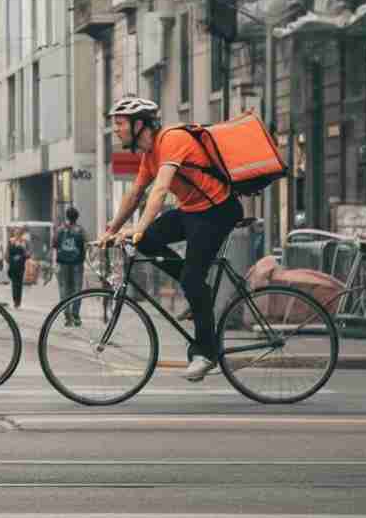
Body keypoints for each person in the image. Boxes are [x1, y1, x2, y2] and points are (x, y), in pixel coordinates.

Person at [96, 96, 244, 382]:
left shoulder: (171, 140)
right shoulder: (149, 155)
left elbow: (160, 190)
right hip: (192, 211)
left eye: (121, 123)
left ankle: (206, 352)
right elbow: (135, 193)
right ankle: (195, 286)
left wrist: (139, 226)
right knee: (150, 246)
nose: (116, 130)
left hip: (217, 211)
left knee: (189, 277)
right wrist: (112, 230)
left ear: (140, 125)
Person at [53, 207, 87, 326]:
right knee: (77, 289)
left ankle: (67, 316)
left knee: (64, 289)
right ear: (77, 217)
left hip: (62, 262)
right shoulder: (80, 230)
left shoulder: (60, 229)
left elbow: (54, 243)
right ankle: (76, 315)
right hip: (77, 263)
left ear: (67, 216)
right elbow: (85, 244)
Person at [6, 229, 28, 309]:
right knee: (14, 284)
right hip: (13, 266)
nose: (17, 235)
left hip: (21, 266)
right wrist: (11, 259)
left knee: (19, 285)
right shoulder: (10, 241)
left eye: (18, 233)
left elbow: (27, 254)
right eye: (16, 233)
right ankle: (15, 301)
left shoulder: (23, 242)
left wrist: (21, 256)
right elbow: (7, 254)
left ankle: (18, 302)